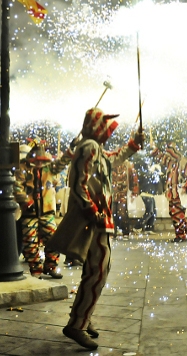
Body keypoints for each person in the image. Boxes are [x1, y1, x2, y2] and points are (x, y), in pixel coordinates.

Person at [49, 107, 143, 350]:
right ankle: (77, 324)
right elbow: (79, 184)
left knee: (94, 271)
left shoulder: (95, 149)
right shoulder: (89, 147)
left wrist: (133, 145)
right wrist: (93, 211)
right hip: (94, 220)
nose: (108, 133)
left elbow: (114, 159)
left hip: (99, 220)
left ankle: (83, 316)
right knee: (98, 272)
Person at [22, 142, 71, 278]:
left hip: (46, 211)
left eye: (41, 161)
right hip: (29, 212)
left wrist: (71, 149)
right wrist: (26, 201)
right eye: (36, 161)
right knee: (30, 242)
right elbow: (16, 187)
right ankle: (36, 270)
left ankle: (50, 266)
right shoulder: (23, 169)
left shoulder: (50, 169)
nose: (38, 163)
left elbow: (63, 161)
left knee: (55, 239)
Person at [153, 143, 187, 242]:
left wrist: (185, 186)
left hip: (178, 193)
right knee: (175, 213)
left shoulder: (183, 163)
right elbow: (160, 157)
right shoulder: (170, 162)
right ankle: (186, 231)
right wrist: (154, 148)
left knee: (177, 213)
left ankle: (181, 235)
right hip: (172, 192)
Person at [111, 159, 139, 239]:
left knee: (122, 212)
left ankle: (125, 231)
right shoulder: (111, 162)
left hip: (122, 193)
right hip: (112, 192)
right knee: (112, 212)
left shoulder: (128, 165)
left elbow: (133, 178)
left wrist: (134, 192)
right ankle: (113, 231)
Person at [140, 164, 161, 234]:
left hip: (149, 194)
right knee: (150, 212)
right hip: (147, 194)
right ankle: (138, 227)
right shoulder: (150, 175)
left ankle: (149, 228)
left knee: (153, 212)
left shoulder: (149, 174)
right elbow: (156, 183)